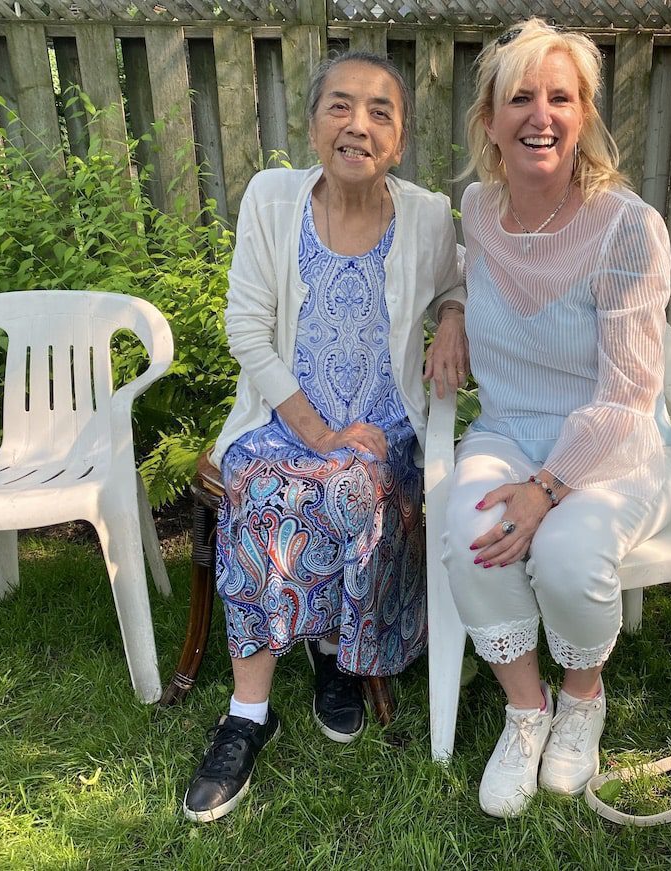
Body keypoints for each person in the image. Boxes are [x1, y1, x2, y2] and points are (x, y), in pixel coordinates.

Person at [183, 51, 467, 823]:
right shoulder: (272, 200)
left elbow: (458, 279)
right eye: (340, 106)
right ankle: (248, 715)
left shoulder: (430, 214)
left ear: (400, 140)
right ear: (313, 125)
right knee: (268, 488)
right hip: (282, 420)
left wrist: (451, 317)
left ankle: (338, 656)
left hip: (381, 431)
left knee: (350, 484)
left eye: (380, 111)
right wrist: (315, 428)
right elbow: (245, 324)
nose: (358, 125)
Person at [441, 19, 671, 818]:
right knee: (468, 528)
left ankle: (584, 693)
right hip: (509, 427)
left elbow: (627, 394)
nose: (539, 115)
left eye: (560, 97)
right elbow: (460, 274)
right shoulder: (477, 208)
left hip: (615, 444)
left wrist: (547, 488)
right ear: (489, 121)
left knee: (572, 549)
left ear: (583, 116)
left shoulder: (628, 228)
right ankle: (527, 708)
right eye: (520, 98)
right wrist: (450, 313)